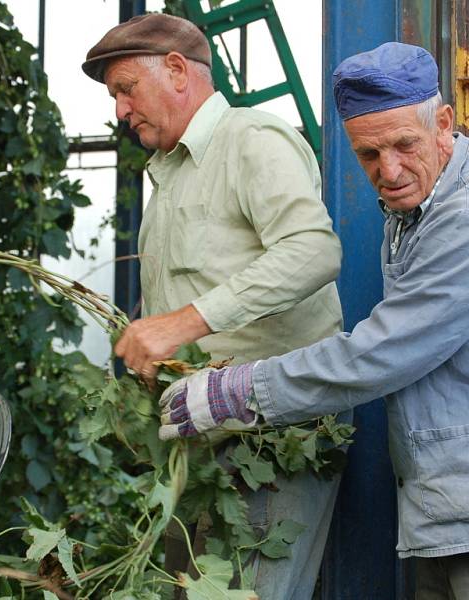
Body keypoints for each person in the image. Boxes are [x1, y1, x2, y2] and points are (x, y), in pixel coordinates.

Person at [159, 41, 469, 598]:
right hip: (450, 512)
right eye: (367, 155)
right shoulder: (412, 211)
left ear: (444, 124)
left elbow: (380, 353)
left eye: (404, 145)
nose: (389, 171)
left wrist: (234, 391)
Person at [83, 13, 349, 599]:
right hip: (200, 438)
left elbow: (314, 252)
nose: (121, 111)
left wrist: (182, 324)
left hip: (275, 431)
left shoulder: (251, 140)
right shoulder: (170, 174)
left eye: (126, 89)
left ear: (177, 70)